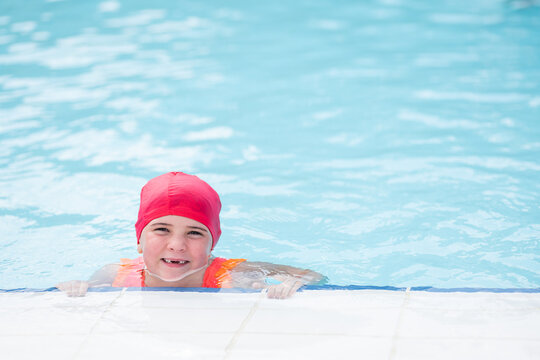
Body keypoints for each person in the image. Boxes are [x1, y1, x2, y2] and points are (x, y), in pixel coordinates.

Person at [56, 172, 324, 299]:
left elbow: (312, 276)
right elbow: (89, 295)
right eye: (162, 229)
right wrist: (76, 289)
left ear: (211, 246)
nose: (177, 245)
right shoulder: (114, 273)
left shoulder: (233, 275)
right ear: (139, 241)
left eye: (194, 232)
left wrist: (290, 286)